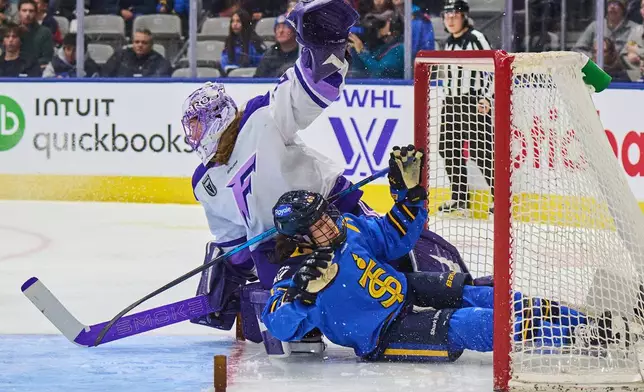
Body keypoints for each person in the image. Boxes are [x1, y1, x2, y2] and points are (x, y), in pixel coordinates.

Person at [184, 0, 469, 341]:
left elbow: (302, 95)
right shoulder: (205, 183)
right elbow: (234, 241)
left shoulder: (258, 118)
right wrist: (231, 274)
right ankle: (316, 325)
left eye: (197, 126)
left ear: (216, 118)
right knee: (302, 310)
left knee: (393, 260)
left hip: (330, 208)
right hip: (277, 245)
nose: (193, 135)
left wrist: (322, 47)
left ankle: (436, 286)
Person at [262, 146, 634, 361]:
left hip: (405, 289)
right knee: (472, 323)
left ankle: (584, 321)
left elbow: (394, 237)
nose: (330, 223)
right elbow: (278, 324)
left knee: (487, 295)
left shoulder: (351, 228)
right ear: (300, 240)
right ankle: (580, 339)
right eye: (318, 223)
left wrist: (408, 197)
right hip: (384, 334)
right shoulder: (295, 274)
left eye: (327, 213)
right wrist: (304, 295)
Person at [437, 0, 494, 214]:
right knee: (448, 148)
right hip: (451, 103)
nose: (450, 19)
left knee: (482, 152)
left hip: (473, 102)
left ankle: (499, 201)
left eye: (455, 14)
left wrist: (487, 98)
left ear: (465, 17)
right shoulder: (448, 42)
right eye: (447, 15)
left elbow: (495, 67)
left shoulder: (476, 38)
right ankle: (459, 199)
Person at [220, 9, 265, 74]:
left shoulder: (255, 41)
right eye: (233, 21)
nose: (235, 24)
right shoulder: (229, 41)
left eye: (238, 21)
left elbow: (260, 63)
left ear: (245, 23)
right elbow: (224, 59)